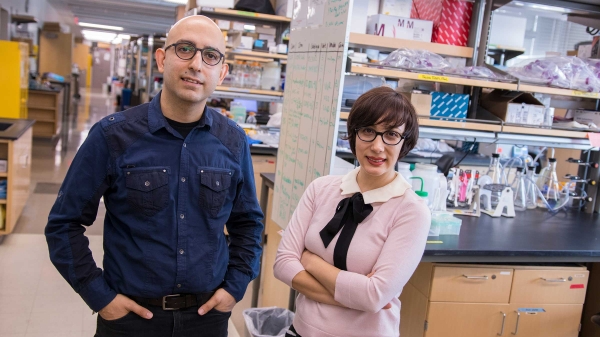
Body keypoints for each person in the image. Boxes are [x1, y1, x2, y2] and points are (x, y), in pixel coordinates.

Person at [45, 15, 264, 337]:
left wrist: (234, 287)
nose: (196, 64)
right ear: (162, 58)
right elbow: (63, 224)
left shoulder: (232, 141)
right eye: (185, 49)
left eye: (210, 55)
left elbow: (248, 223)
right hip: (130, 320)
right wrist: (100, 296)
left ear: (222, 71)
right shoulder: (113, 136)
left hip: (207, 319)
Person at [274, 86, 431, 337]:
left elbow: (373, 296)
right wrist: (355, 297)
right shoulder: (321, 189)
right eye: (368, 131)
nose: (378, 146)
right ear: (354, 134)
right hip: (302, 330)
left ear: (405, 143)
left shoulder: (411, 211)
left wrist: (308, 259)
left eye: (391, 134)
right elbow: (282, 264)